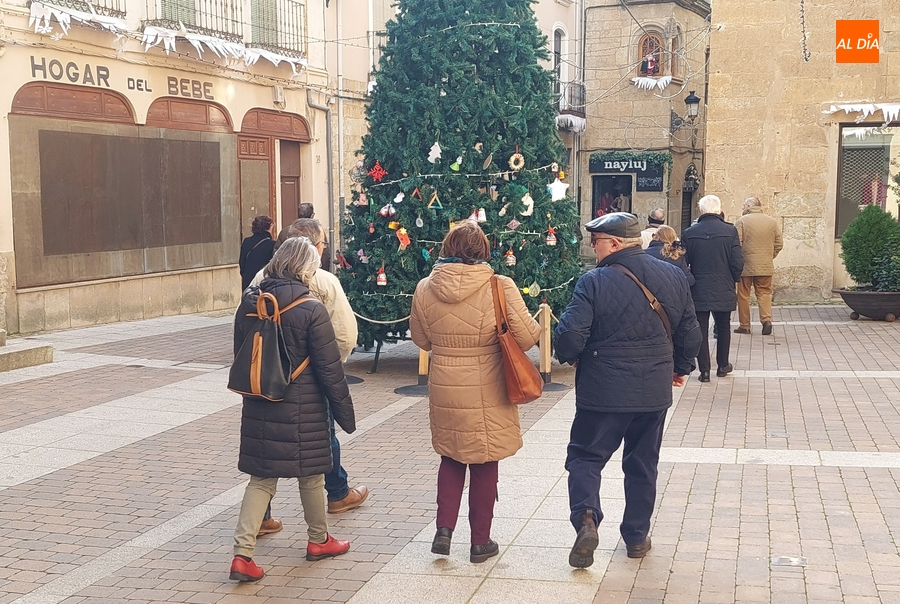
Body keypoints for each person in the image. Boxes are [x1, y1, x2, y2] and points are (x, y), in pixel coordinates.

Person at [555, 212, 700, 568]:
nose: (593, 248)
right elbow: (690, 332)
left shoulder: (593, 282)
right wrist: (680, 367)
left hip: (602, 391)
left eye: (597, 242)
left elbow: (571, 335)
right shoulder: (675, 275)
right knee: (642, 463)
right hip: (653, 389)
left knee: (586, 458)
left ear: (616, 243)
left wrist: (570, 356)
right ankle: (636, 536)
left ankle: (587, 520)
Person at [409, 221, 541, 564]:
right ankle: (480, 542)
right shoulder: (500, 285)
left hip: (445, 387)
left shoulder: (425, 288)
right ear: (483, 251)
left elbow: (422, 341)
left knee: (451, 457)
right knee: (485, 461)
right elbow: (527, 338)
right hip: (489, 386)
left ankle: (443, 530)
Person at [230, 237, 356, 582]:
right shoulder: (310, 308)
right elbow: (330, 369)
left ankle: (243, 555)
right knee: (312, 475)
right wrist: (346, 416)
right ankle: (319, 540)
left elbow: (241, 353)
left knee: (261, 479)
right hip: (305, 406)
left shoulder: (250, 304)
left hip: (260, 402)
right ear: (305, 268)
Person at [249, 219, 368, 538]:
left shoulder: (260, 280)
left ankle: (260, 518)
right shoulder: (325, 282)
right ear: (312, 249)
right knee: (322, 438)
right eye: (324, 244)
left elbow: (245, 331)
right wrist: (330, 364)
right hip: (311, 380)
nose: (325, 249)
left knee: (266, 446)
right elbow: (344, 333)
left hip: (266, 381)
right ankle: (336, 498)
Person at [682, 195, 744, 383]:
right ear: (719, 210)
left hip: (699, 286)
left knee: (700, 328)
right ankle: (723, 365)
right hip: (723, 285)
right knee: (723, 326)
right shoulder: (730, 231)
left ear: (701, 211)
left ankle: (705, 370)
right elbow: (737, 261)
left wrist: (691, 280)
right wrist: (732, 279)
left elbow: (683, 262)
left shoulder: (689, 233)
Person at [734, 197, 783, 335]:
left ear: (750, 206)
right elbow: (779, 243)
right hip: (765, 265)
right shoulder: (772, 222)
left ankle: (745, 325)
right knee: (764, 293)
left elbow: (736, 243)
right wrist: (769, 256)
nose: (743, 207)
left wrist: (740, 260)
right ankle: (766, 320)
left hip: (746, 266)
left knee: (743, 295)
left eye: (744, 205)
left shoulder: (742, 221)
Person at [239, 216, 275, 290]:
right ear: (268, 227)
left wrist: (246, 275)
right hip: (264, 282)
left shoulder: (247, 241)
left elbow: (242, 263)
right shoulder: (272, 244)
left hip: (248, 281)